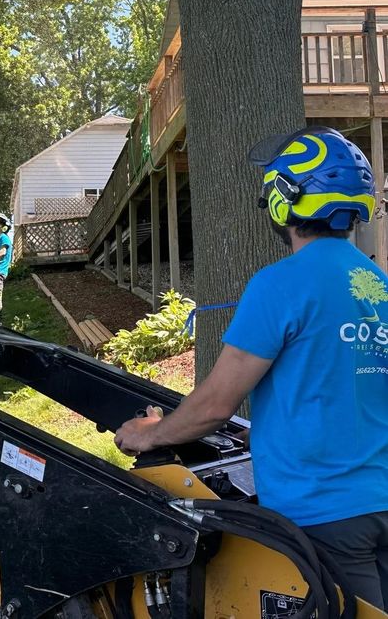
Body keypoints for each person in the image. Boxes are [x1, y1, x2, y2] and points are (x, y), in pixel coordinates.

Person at [114, 126, 388, 608]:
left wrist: (151, 434)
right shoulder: (378, 285)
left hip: (324, 515)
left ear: (286, 198)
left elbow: (216, 404)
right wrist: (266, 431)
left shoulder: (279, 285)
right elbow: (350, 391)